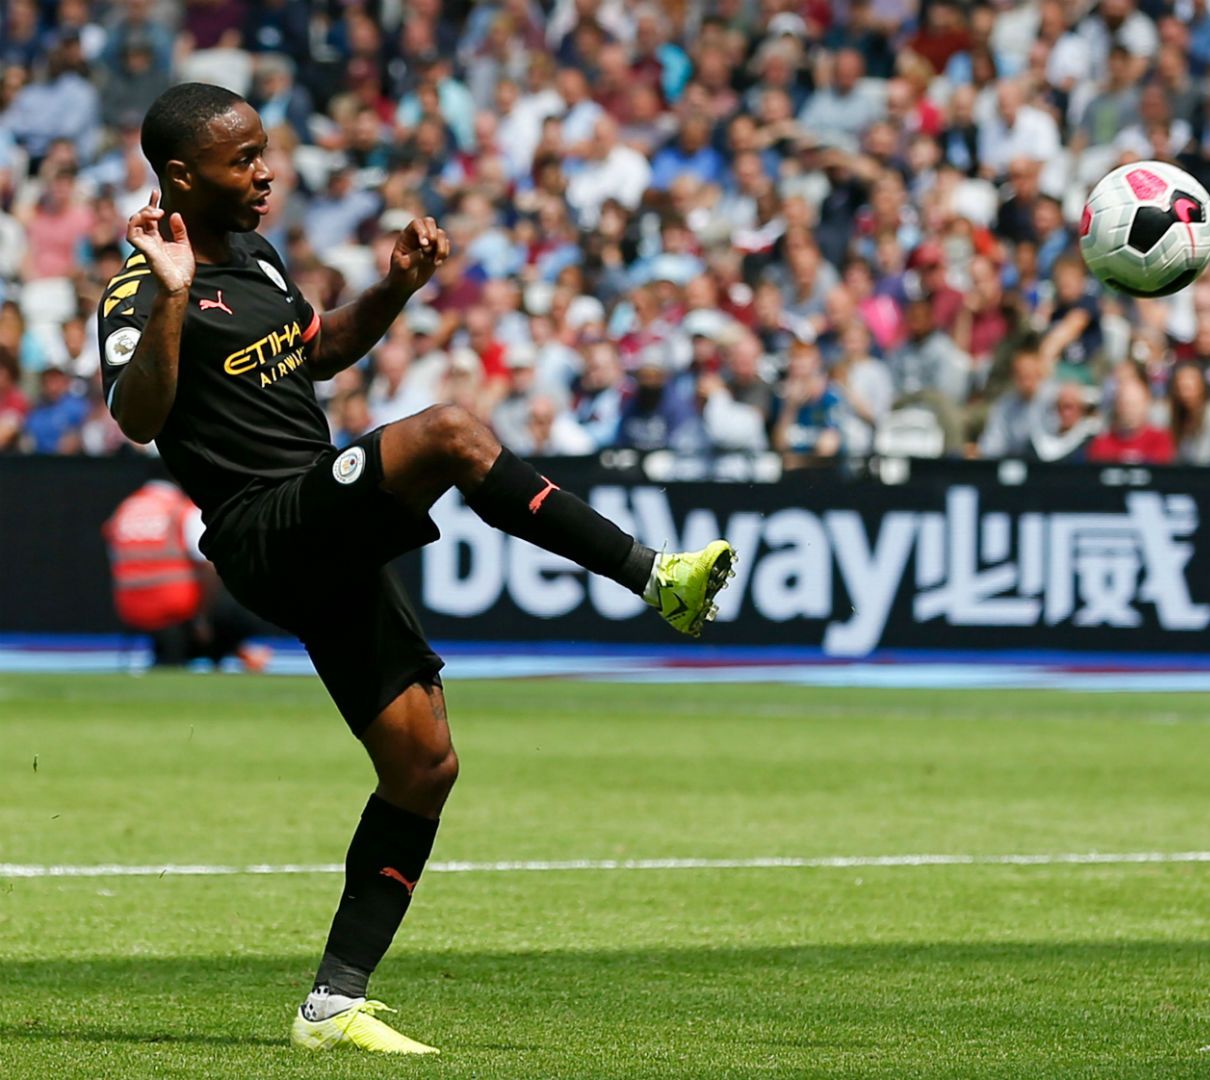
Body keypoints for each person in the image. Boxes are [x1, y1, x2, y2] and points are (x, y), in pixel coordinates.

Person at [100, 85, 737, 1056]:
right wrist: (175, 291)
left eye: (266, 151)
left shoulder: (263, 259)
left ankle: (332, 1005)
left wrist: (396, 283)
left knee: (424, 761)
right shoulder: (140, 289)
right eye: (244, 160)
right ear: (182, 174)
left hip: (316, 516)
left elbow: (318, 355)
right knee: (447, 432)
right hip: (260, 528)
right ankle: (657, 579)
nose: (267, 171)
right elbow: (139, 417)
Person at [103, 474, 271, 671]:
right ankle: (216, 652)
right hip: (176, 605)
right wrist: (203, 618)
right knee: (241, 609)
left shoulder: (125, 509)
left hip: (132, 608)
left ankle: (220, 651)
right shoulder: (180, 509)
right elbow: (208, 564)